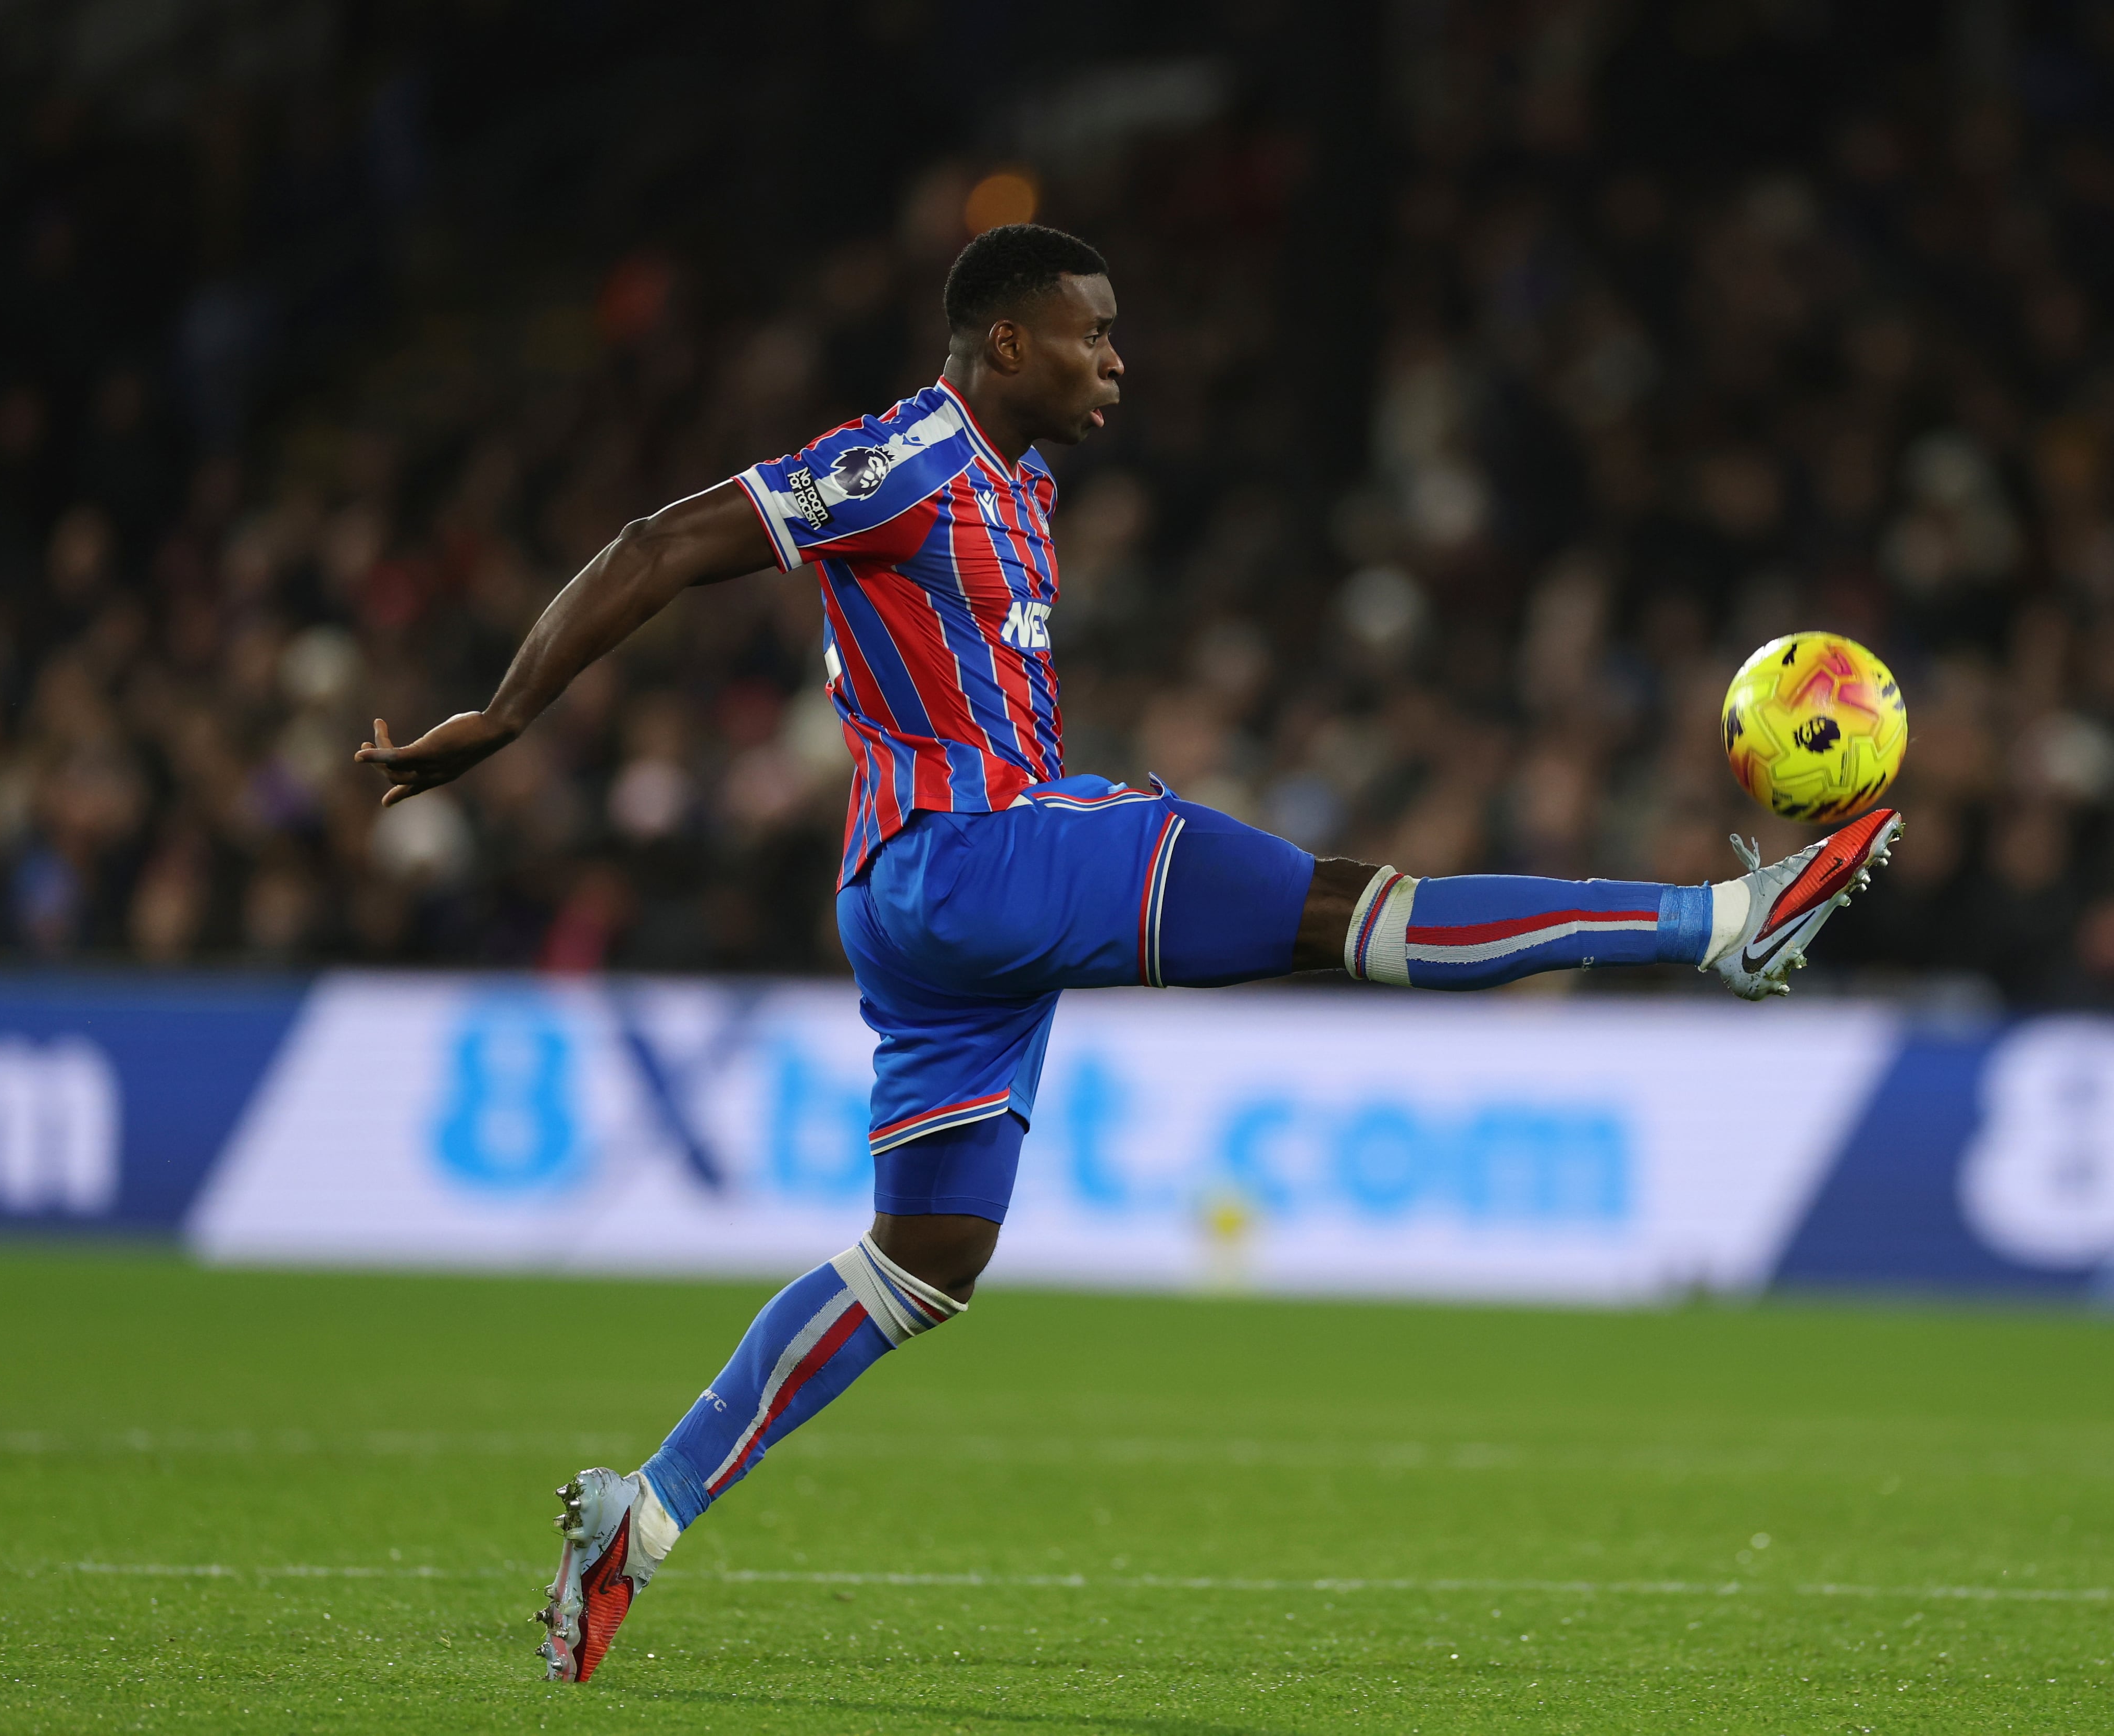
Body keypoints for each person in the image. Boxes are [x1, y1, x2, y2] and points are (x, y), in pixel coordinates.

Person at [356, 223, 1899, 1683]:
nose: (1115, 363)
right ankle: (1726, 926)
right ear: (1004, 339)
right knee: (1360, 914)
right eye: (1092, 337)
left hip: (927, 912)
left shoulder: (1016, 485)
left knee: (927, 1258)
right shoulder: (912, 454)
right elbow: (663, 540)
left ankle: (649, 1507)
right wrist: (504, 715)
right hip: (979, 858)